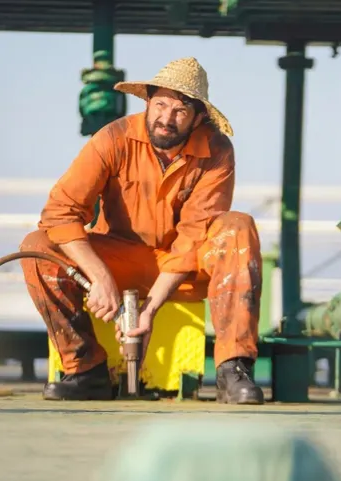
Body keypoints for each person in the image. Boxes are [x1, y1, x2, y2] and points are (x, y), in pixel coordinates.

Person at [19, 57, 265, 405]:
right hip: (116, 260)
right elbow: (59, 212)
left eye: (180, 110)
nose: (166, 118)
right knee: (37, 245)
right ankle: (85, 370)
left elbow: (194, 237)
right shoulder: (113, 137)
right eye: (160, 104)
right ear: (147, 101)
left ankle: (233, 369)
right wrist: (100, 277)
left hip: (185, 268)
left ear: (198, 117)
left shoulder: (217, 149)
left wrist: (148, 311)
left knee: (237, 226)